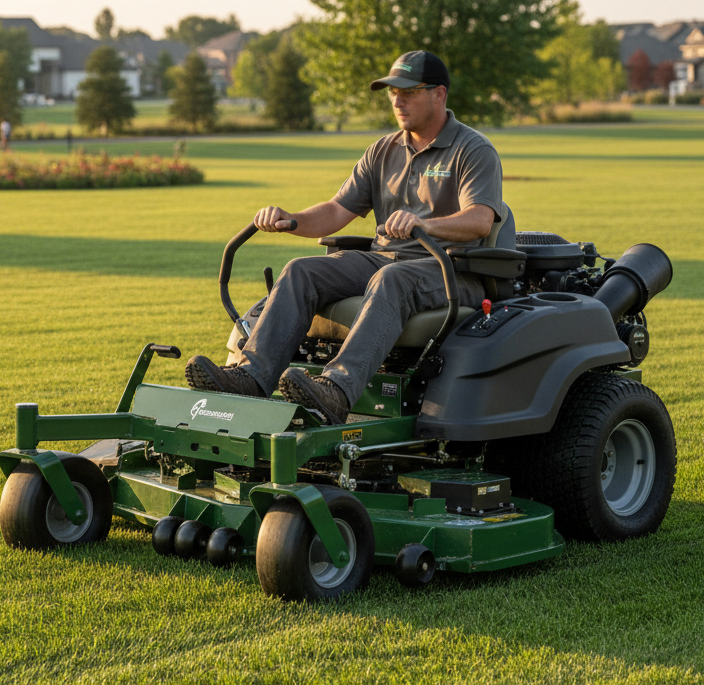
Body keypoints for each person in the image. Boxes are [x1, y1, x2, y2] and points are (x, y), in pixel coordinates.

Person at [184, 50, 504, 425]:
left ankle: (336, 391)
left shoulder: (473, 149)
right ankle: (251, 378)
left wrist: (425, 225)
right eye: (392, 92)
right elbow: (336, 211)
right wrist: (291, 219)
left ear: (439, 94)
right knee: (301, 270)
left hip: (449, 268)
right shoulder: (383, 150)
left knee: (391, 278)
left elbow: (480, 220)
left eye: (409, 92)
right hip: (385, 259)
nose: (397, 101)